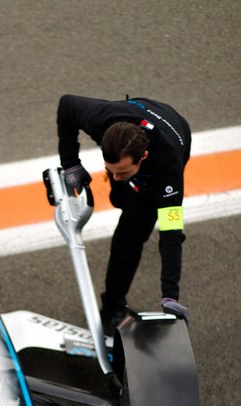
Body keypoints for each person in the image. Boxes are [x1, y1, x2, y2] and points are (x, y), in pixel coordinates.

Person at [56, 94, 191, 335]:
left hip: (176, 134)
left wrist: (170, 297)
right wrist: (71, 164)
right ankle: (127, 187)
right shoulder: (101, 120)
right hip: (137, 110)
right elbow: (66, 104)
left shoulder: (168, 170)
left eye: (123, 171)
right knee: (119, 196)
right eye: (111, 171)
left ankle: (113, 307)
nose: (114, 177)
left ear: (143, 157)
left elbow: (171, 234)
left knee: (129, 235)